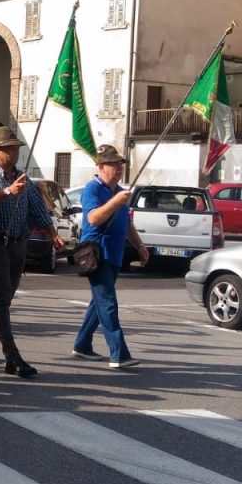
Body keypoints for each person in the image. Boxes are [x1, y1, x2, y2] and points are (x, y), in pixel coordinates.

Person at [0, 125, 62, 377]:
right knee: (1, 298)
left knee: (5, 297)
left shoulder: (23, 177)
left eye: (16, 148)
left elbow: (37, 208)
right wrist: (7, 192)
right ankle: (13, 357)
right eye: (9, 149)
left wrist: (53, 233)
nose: (15, 153)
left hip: (18, 242)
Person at [73, 144, 148, 369]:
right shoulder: (92, 189)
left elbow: (126, 223)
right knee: (107, 303)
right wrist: (117, 201)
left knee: (99, 302)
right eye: (114, 164)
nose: (118, 168)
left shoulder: (119, 191)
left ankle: (82, 344)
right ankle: (119, 354)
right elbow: (94, 218)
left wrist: (140, 245)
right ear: (101, 167)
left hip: (114, 254)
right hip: (96, 253)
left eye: (120, 164)